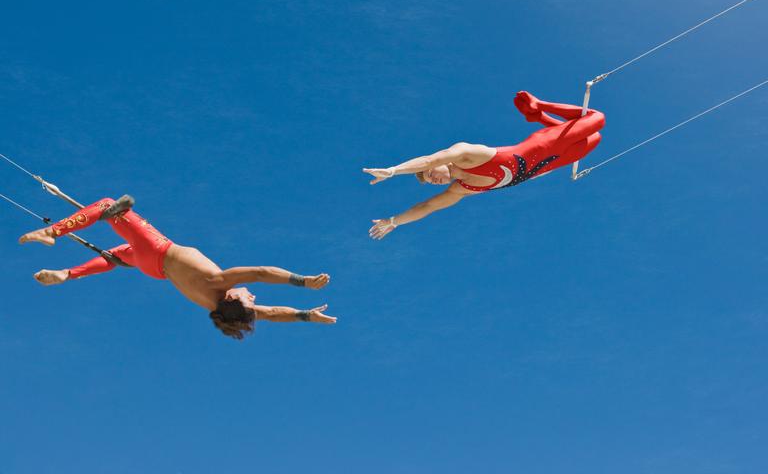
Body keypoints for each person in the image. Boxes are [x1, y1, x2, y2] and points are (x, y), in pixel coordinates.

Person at [19, 195, 336, 339]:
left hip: (158, 250)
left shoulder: (218, 283)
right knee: (117, 257)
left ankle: (51, 233)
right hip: (154, 269)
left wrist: (303, 282)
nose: (252, 298)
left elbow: (262, 272)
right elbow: (273, 313)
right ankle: (67, 273)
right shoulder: (213, 302)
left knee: (107, 206)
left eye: (249, 300)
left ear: (231, 300)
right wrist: (307, 316)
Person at [364, 91, 605, 239]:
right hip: (552, 161)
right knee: (594, 140)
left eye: (430, 175)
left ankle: (540, 106)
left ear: (439, 164)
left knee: (597, 119)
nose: (433, 180)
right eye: (430, 182)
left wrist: (394, 170)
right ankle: (538, 117)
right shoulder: (461, 189)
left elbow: (429, 159)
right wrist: (394, 221)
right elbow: (427, 207)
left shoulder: (466, 154)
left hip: (544, 143)